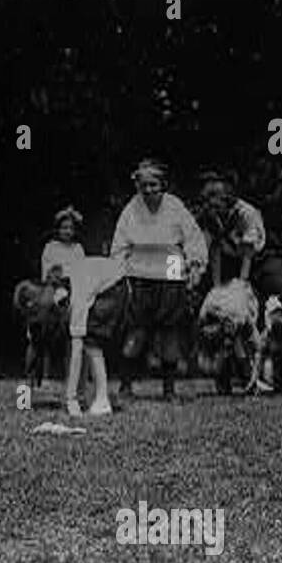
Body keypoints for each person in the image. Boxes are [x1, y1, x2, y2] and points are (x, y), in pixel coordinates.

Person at [110, 158, 207, 401]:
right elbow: (120, 243)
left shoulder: (175, 206)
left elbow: (193, 236)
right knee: (137, 328)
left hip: (171, 265)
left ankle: (169, 388)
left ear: (162, 184)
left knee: (170, 328)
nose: (149, 190)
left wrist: (195, 263)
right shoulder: (131, 209)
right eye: (144, 186)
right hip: (140, 268)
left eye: (154, 185)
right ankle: (125, 385)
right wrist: (117, 271)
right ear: (138, 187)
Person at [64, 253, 128, 417]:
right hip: (117, 284)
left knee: (91, 342)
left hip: (115, 289)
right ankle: (94, 396)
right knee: (89, 341)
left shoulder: (78, 294)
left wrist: (70, 399)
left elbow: (77, 350)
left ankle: (102, 401)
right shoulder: (72, 273)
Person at [41, 206, 86, 295]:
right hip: (54, 289)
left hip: (75, 289)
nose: (68, 231)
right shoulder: (51, 248)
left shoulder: (78, 248)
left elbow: (82, 270)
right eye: (64, 228)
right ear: (58, 229)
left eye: (71, 228)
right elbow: (47, 272)